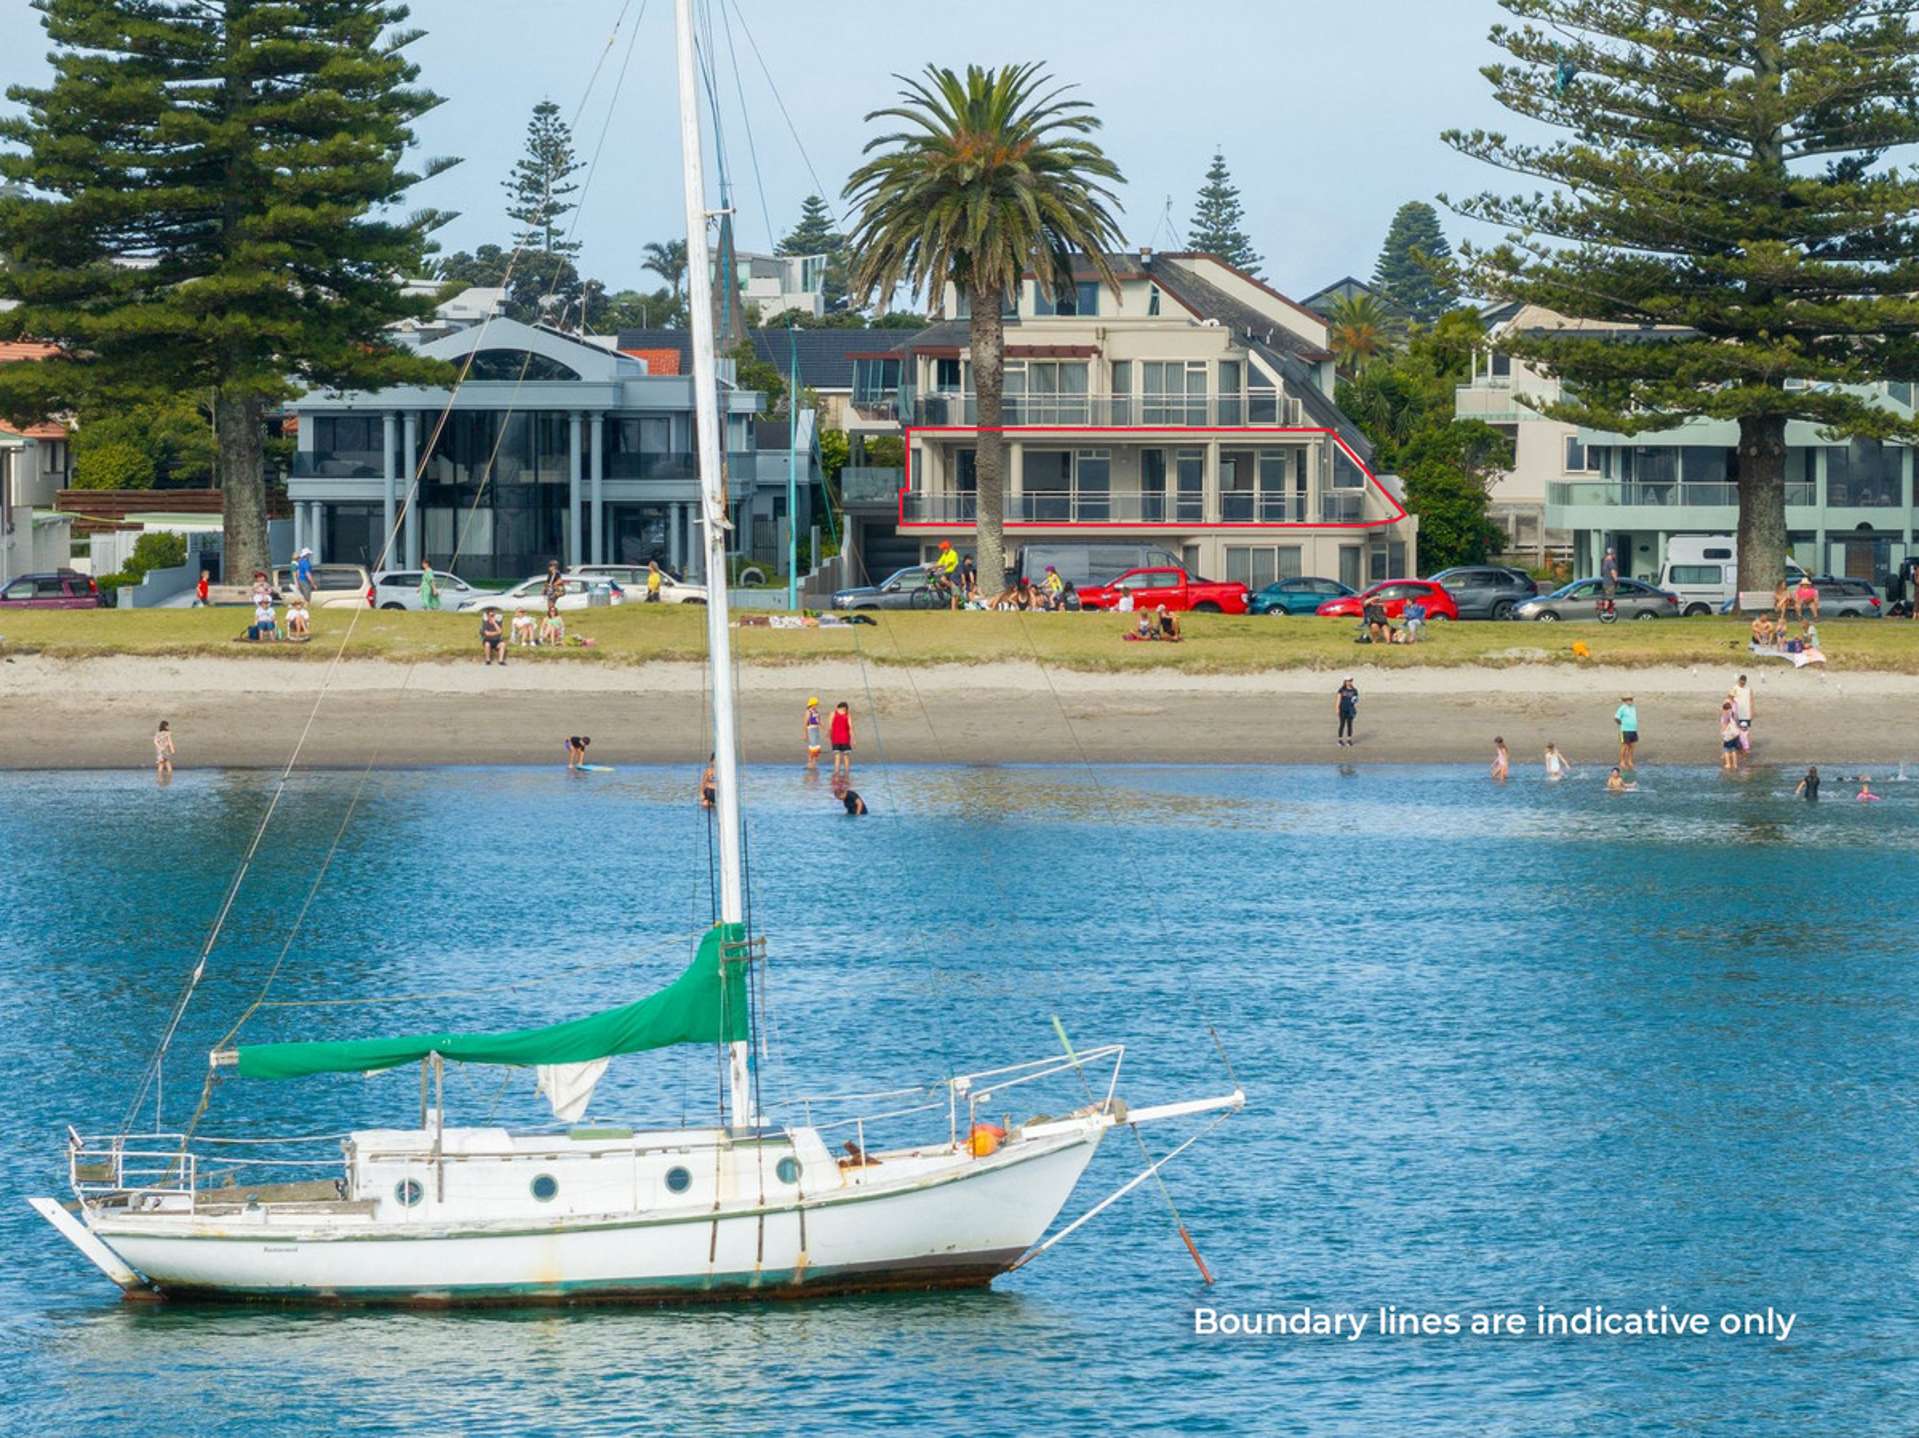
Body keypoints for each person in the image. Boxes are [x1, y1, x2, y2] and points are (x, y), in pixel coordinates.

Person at [829, 700, 854, 777]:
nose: (843, 710)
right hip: (837, 738)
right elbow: (830, 727)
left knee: (844, 756)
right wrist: (830, 737)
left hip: (844, 738)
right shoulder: (833, 713)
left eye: (844, 709)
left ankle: (842, 773)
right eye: (842, 709)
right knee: (839, 756)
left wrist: (853, 738)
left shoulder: (847, 715)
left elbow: (850, 727)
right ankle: (839, 772)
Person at [1614, 693, 1638, 770]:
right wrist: (1621, 724)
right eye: (1628, 699)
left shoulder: (1633, 707)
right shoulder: (1622, 708)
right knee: (1624, 746)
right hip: (1624, 730)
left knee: (1632, 746)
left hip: (1633, 729)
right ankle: (1622, 761)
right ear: (1624, 700)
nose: (1630, 701)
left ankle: (1629, 760)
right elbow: (1616, 717)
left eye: (1631, 699)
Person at [1730, 674, 1753, 747]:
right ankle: (1737, 746)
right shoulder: (1734, 688)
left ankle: (1745, 747)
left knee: (1745, 732)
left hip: (1746, 714)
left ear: (1745, 682)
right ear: (1739, 680)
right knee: (1736, 730)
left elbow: (1751, 700)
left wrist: (1752, 711)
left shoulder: (1749, 689)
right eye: (1741, 682)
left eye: (1744, 683)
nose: (1742, 684)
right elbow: (1730, 699)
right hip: (1736, 714)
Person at [1335, 677, 1358, 748]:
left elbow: (1356, 700)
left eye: (1350, 681)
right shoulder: (1341, 690)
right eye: (1347, 681)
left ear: (1352, 681)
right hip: (1342, 709)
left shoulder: (1354, 690)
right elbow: (1338, 699)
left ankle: (1349, 740)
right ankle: (1340, 740)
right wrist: (1337, 708)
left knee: (1349, 725)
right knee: (1342, 724)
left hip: (1350, 710)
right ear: (1345, 681)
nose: (1348, 682)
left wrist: (1355, 700)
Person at [1719, 700, 1741, 771]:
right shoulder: (1733, 714)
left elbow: (1724, 724)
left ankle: (1728, 764)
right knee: (1734, 750)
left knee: (1726, 750)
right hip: (1735, 735)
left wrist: (1723, 732)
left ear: (1724, 709)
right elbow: (1737, 723)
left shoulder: (1725, 715)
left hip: (1729, 735)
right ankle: (1735, 764)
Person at [804, 696, 823, 768]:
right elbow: (805, 723)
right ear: (811, 704)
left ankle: (814, 763)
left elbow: (819, 722)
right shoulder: (808, 712)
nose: (816, 706)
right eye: (815, 704)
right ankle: (809, 763)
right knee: (812, 747)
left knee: (817, 748)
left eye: (816, 704)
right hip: (811, 730)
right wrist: (805, 734)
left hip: (816, 730)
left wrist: (824, 729)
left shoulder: (817, 712)